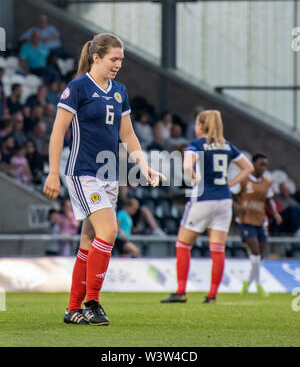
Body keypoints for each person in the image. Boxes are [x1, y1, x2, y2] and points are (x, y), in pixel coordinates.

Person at [43, 33, 165, 325]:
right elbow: (58, 131)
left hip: (109, 175)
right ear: (96, 57)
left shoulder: (119, 91)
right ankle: (92, 302)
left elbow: (128, 135)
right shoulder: (77, 88)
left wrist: (144, 166)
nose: (118, 64)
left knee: (88, 241)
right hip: (83, 172)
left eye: (121, 60)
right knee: (108, 232)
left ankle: (72, 309)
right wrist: (52, 171)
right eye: (114, 59)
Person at [161, 110, 254, 304]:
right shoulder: (227, 146)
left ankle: (181, 291)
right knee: (218, 248)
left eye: (197, 123)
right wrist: (230, 183)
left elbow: (187, 167)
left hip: (203, 199)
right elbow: (248, 167)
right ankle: (212, 295)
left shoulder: (196, 145)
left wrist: (193, 179)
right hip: (224, 200)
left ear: (201, 126)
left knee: (183, 244)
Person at [234, 153, 282, 297]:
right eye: (261, 164)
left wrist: (275, 213)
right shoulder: (243, 179)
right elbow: (231, 195)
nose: (263, 168)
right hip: (245, 220)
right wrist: (237, 206)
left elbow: (270, 199)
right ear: (253, 164)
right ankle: (259, 283)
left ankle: (247, 282)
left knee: (259, 255)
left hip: (260, 221)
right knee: (254, 250)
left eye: (265, 165)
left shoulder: (267, 182)